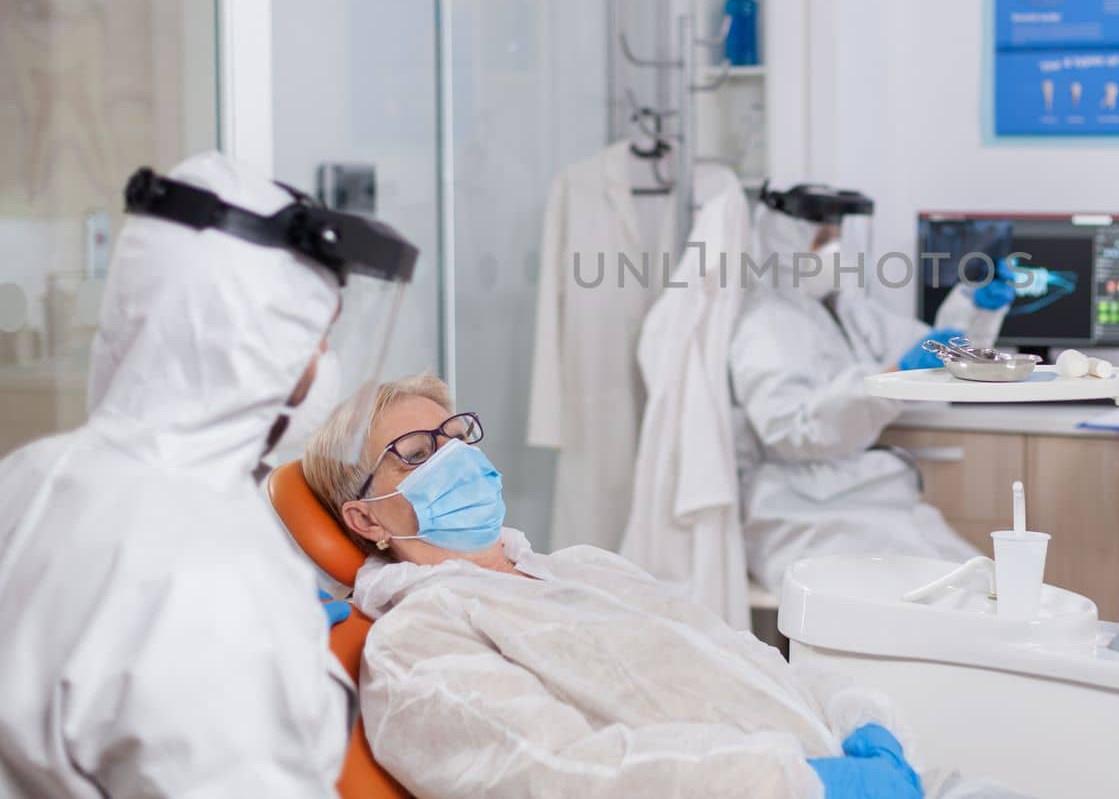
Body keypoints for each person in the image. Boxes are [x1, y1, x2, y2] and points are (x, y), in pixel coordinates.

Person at [0, 152, 417, 797]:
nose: (323, 367)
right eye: (316, 339)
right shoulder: (213, 580)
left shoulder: (31, 476)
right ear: (252, 344)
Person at [301, 373, 929, 799]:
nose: (453, 459)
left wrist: (863, 721)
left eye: (456, 436)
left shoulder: (584, 568)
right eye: (416, 453)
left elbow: (742, 656)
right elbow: (564, 778)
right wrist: (804, 783)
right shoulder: (418, 641)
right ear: (366, 518)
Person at [730, 183, 1016, 593]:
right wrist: (893, 374)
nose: (834, 250)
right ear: (785, 241)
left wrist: (978, 309)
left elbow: (941, 348)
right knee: (944, 596)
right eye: (822, 239)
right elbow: (792, 431)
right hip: (798, 510)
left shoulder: (846, 310)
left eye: (837, 238)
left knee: (984, 584)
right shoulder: (765, 325)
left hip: (862, 497)